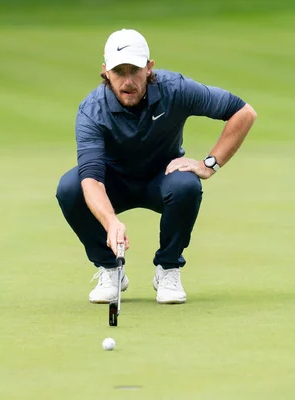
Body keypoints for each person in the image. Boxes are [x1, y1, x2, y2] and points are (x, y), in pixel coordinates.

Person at [56, 28, 256, 304]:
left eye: (135, 70)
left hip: (162, 179)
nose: (128, 81)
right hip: (114, 182)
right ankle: (110, 270)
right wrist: (110, 221)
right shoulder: (92, 110)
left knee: (187, 183)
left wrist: (209, 164)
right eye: (119, 72)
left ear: (149, 68)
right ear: (105, 72)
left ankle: (168, 268)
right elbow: (91, 179)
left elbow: (243, 112)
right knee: (70, 188)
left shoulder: (175, 90)